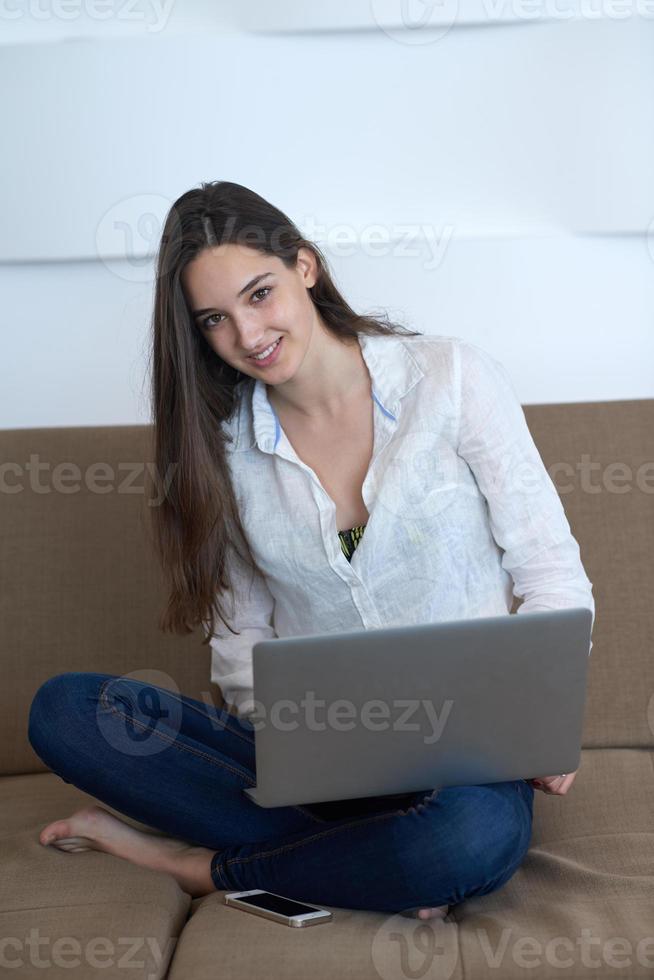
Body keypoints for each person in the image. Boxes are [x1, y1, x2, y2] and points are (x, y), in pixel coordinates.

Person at [28, 181, 594, 917]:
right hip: (319, 763)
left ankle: (206, 865)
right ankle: (368, 859)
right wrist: (297, 743)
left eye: (259, 294)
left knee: (465, 841)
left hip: (465, 764)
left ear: (305, 267)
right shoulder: (223, 454)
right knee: (67, 711)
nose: (247, 335)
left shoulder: (451, 380)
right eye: (215, 321)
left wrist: (534, 721)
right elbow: (241, 644)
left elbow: (550, 572)